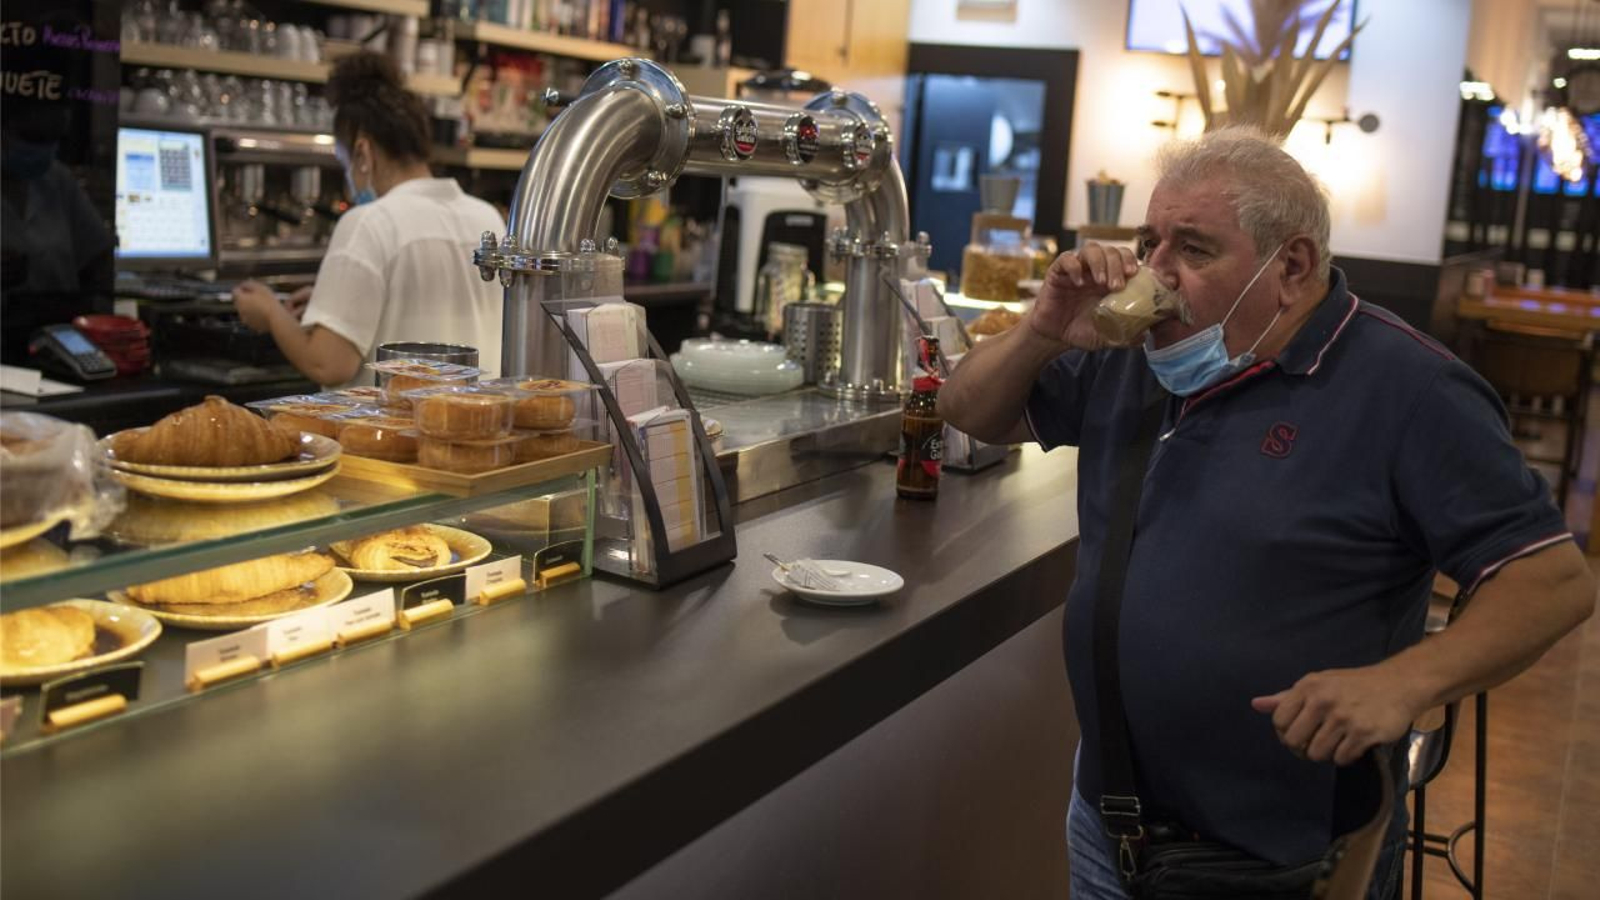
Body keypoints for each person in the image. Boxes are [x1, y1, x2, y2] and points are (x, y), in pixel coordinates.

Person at [938, 127, 1595, 899]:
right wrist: (1042, 331)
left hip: (1280, 860)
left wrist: (1406, 683)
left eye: (1193, 248)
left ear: (1292, 267)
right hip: (1109, 825)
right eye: (1150, 243)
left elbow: (1552, 579)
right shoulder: (1139, 356)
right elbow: (968, 410)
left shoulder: (1409, 389)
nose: (1157, 273)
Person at [233, 53, 506, 387]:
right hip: (476, 414)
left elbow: (327, 364)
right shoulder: (487, 218)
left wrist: (271, 313)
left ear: (362, 153)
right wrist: (332, 304)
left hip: (394, 419)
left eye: (344, 160)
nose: (348, 177)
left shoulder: (369, 222)